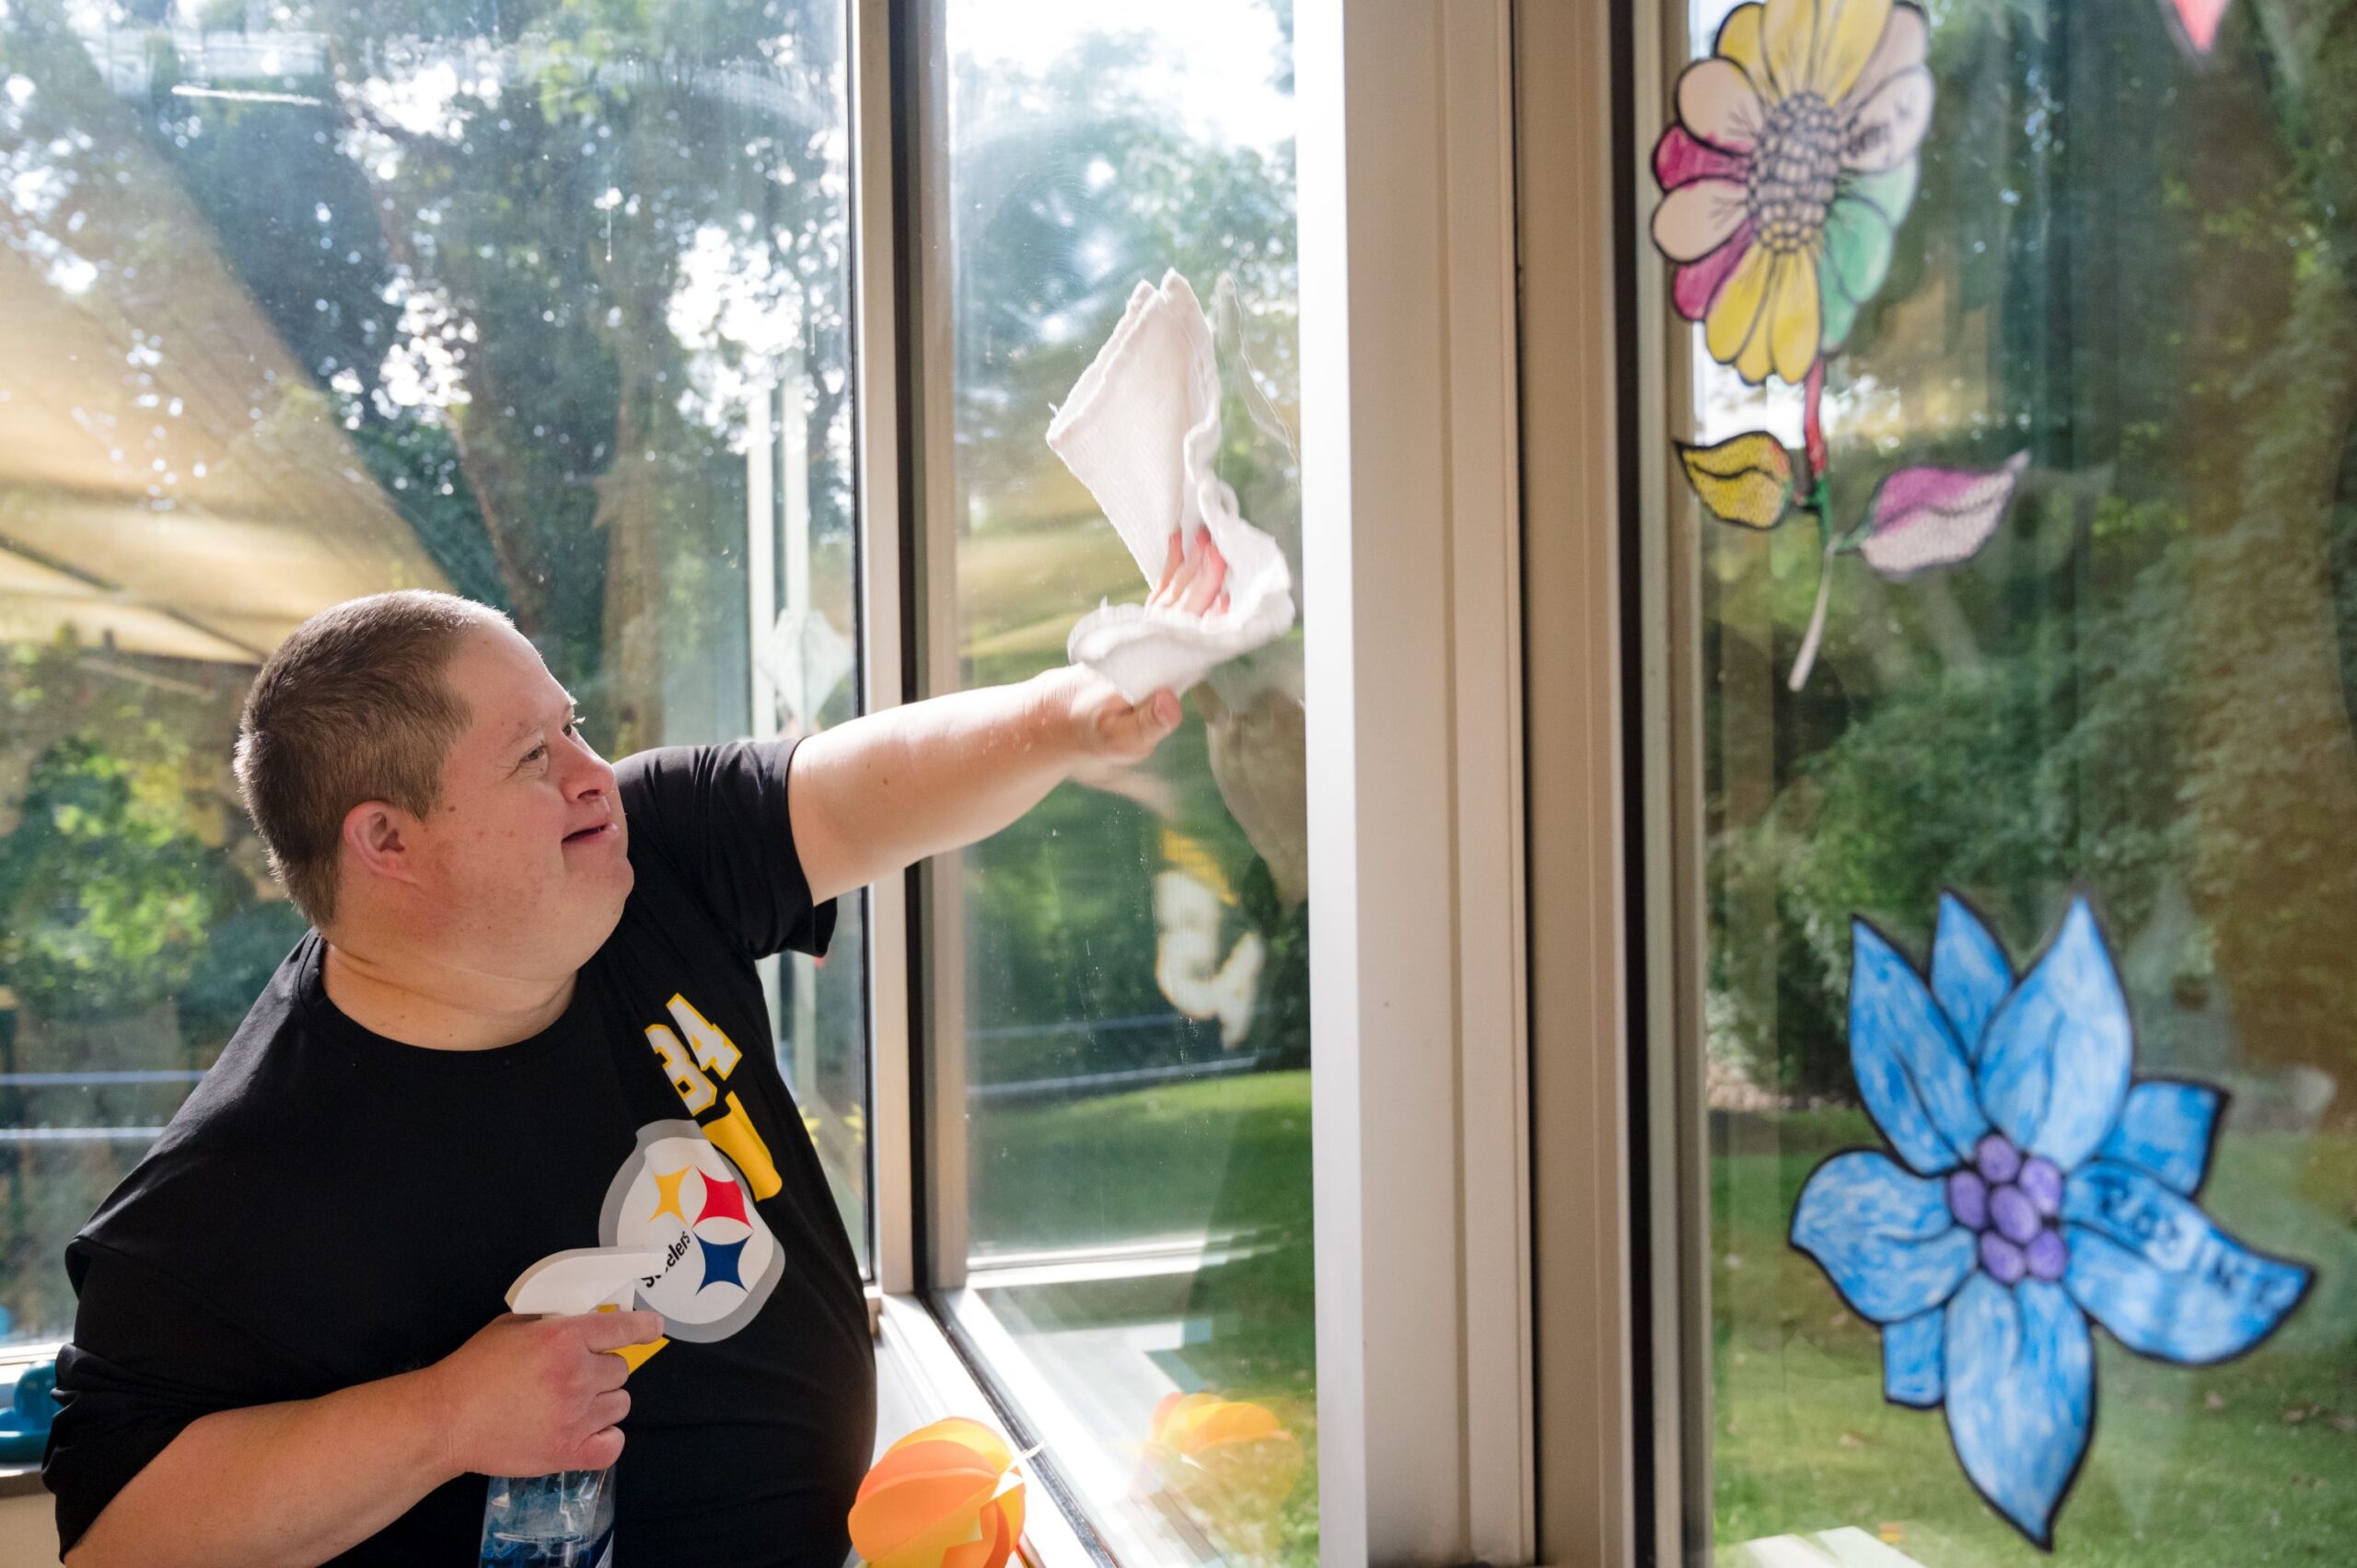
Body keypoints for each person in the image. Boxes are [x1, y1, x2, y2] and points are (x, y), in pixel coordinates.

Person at [43, 531, 1231, 1568]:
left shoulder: (635, 859)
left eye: (574, 724)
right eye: (531, 758)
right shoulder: (240, 1175)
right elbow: (119, 1541)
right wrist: (446, 1416)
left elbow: (862, 787)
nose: (589, 774)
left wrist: (1071, 712)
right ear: (387, 842)